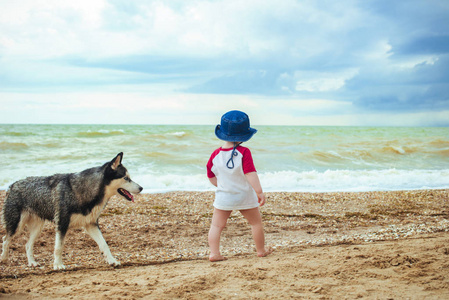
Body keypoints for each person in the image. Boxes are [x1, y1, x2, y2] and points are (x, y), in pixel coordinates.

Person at [206, 110, 272, 262]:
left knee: (216, 226)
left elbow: (210, 175)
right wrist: (259, 191)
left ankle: (214, 253)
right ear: (244, 135)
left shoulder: (216, 154)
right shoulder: (244, 152)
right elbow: (250, 173)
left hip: (224, 197)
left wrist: (222, 185)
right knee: (255, 223)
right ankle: (261, 250)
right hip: (244, 195)